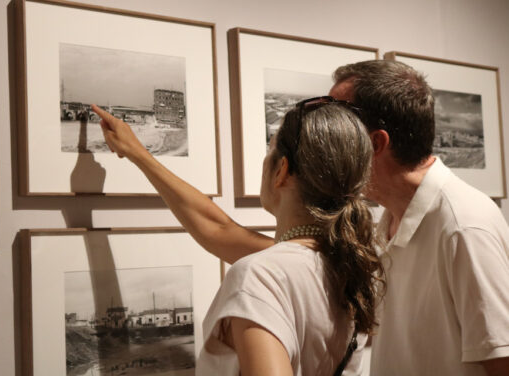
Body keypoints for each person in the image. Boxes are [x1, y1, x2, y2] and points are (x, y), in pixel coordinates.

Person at [92, 98, 385, 376]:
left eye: (270, 151)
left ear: (281, 170)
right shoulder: (346, 266)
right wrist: (139, 154)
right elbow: (219, 228)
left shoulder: (260, 275)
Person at [328, 60, 509, 375]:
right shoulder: (391, 218)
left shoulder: (463, 226)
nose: (327, 140)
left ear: (375, 143)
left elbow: (502, 361)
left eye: (337, 128)